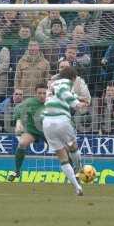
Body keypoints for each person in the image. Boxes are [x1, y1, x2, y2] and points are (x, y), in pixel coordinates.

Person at [42, 66, 88, 196]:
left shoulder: (52, 84)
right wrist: (77, 104)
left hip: (47, 122)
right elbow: (64, 92)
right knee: (73, 147)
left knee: (62, 156)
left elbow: (63, 94)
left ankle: (77, 186)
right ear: (73, 78)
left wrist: (79, 99)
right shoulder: (65, 83)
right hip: (61, 119)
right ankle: (78, 171)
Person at [7, 84, 47, 181]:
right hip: (32, 131)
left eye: (44, 93)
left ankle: (74, 171)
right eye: (39, 93)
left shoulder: (52, 103)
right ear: (35, 94)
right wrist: (18, 122)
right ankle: (17, 171)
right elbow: (18, 109)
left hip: (48, 132)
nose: (42, 95)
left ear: (48, 93)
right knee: (22, 143)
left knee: (63, 149)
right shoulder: (29, 102)